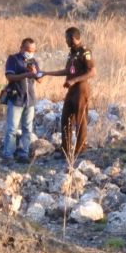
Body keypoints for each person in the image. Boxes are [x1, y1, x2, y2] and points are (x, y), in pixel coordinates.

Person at [43, 27, 94, 159]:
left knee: (80, 119)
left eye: (66, 38)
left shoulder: (85, 52)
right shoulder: (71, 53)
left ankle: (79, 149)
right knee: (66, 118)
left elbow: (92, 72)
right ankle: (65, 150)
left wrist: (74, 80)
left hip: (81, 89)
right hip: (71, 90)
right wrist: (47, 73)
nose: (65, 41)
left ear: (72, 38)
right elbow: (68, 71)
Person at [2, 37, 43, 162]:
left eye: (33, 50)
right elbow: (9, 77)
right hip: (16, 98)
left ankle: (23, 153)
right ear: (21, 48)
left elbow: (40, 79)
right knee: (12, 128)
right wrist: (25, 74)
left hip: (30, 100)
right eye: (28, 50)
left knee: (27, 129)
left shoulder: (34, 61)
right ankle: (8, 155)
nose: (30, 52)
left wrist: (35, 73)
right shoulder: (13, 59)